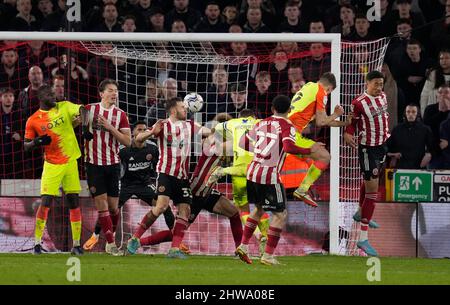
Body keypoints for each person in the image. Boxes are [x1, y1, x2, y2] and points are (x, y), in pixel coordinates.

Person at [135, 114, 243, 253]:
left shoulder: (224, 142)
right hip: (197, 191)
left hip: (208, 191)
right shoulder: (213, 141)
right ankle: (139, 242)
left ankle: (240, 250)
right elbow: (236, 145)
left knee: (234, 213)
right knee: (176, 232)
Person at [126, 97, 210, 258]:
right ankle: (135, 238)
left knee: (184, 211)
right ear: (173, 110)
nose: (185, 109)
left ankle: (174, 250)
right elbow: (137, 139)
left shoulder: (190, 125)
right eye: (182, 107)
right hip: (165, 173)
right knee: (161, 207)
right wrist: (151, 131)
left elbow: (207, 131)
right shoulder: (163, 125)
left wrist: (222, 128)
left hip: (183, 176)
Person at [235, 95, 313, 265]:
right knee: (280, 214)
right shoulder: (287, 126)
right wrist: (309, 150)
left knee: (258, 209)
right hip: (269, 175)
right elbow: (289, 147)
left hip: (253, 172)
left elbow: (242, 142)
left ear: (272, 109)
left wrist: (259, 150)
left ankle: (244, 245)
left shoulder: (260, 123)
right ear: (290, 110)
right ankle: (268, 255)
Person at [82, 121, 181, 251]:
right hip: (125, 185)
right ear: (133, 133)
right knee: (109, 209)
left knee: (163, 206)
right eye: (139, 130)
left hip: (144, 184)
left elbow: (157, 167)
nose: (142, 132)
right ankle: (95, 236)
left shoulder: (152, 148)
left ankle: (175, 239)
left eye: (145, 129)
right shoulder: (123, 150)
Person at [24, 84, 87, 255]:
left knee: (74, 201)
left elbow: (83, 110)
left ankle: (76, 244)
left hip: (70, 162)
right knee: (46, 202)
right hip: (51, 165)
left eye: (54, 94)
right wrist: (37, 142)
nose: (55, 97)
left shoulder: (65, 106)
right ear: (42, 97)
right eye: (51, 95)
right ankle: (37, 244)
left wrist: (86, 127)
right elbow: (26, 146)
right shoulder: (33, 120)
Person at [207, 109, 270, 255]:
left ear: (239, 117)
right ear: (253, 117)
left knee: (243, 209)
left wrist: (215, 143)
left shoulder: (232, 123)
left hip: (239, 171)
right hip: (257, 171)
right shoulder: (261, 123)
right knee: (260, 208)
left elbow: (213, 129)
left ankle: (257, 235)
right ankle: (265, 240)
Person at [82, 79, 131, 256]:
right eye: (110, 90)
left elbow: (127, 141)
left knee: (113, 208)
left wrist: (110, 127)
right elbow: (76, 124)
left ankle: (111, 234)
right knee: (102, 206)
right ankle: (110, 244)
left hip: (113, 165)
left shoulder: (121, 115)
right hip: (94, 165)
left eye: (116, 91)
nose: (114, 93)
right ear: (101, 93)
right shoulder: (89, 109)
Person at [344, 70, 390, 257]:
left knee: (371, 182)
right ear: (367, 83)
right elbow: (352, 122)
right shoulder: (358, 103)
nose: (379, 88)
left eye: (381, 84)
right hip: (368, 149)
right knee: (373, 192)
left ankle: (360, 212)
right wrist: (347, 133)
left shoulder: (384, 96)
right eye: (376, 84)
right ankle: (363, 239)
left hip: (382, 146)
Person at [288, 72, 348, 207]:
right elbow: (321, 122)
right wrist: (336, 114)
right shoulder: (321, 92)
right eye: (329, 92)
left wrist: (345, 123)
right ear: (329, 88)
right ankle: (303, 189)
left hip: (286, 131)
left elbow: (324, 120)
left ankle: (305, 188)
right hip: (291, 134)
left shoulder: (309, 86)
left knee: (312, 158)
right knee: (325, 157)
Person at [387, 104, 433, 169]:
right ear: (405, 114)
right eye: (408, 112)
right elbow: (389, 146)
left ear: (418, 114)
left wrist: (429, 154)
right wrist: (392, 155)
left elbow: (432, 147)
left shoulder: (425, 129)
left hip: (419, 165)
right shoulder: (397, 129)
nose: (410, 114)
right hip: (401, 165)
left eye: (413, 112)